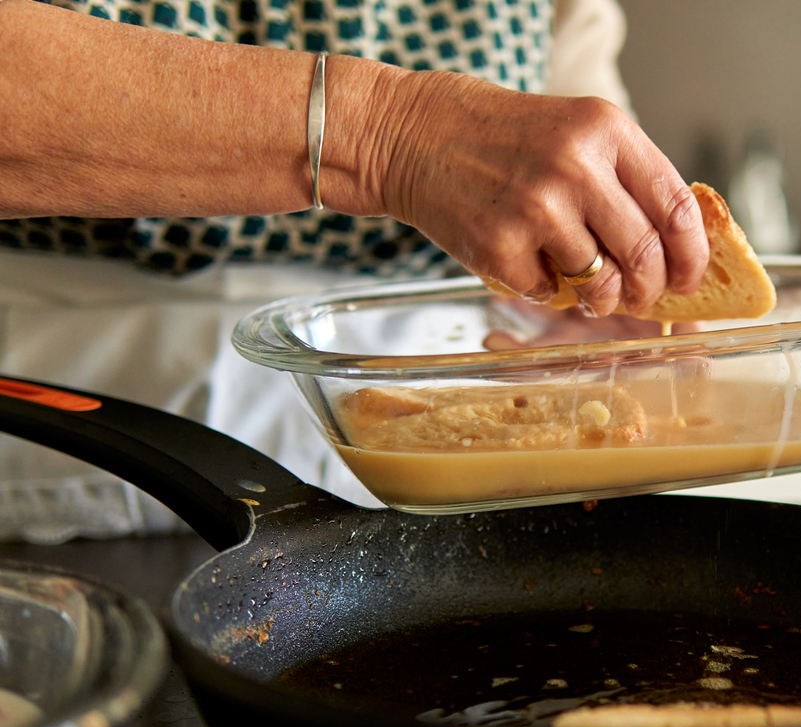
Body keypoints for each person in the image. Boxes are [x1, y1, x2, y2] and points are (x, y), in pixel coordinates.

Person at [0, 0, 709, 541]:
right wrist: (383, 132)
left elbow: (561, 62)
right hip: (66, 427)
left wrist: (580, 272)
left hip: (440, 436)